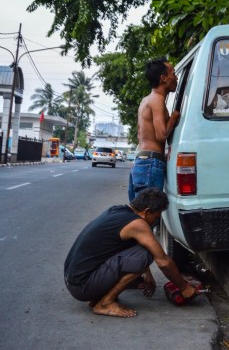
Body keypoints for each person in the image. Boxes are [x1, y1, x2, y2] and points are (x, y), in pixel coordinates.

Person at [64, 188, 199, 317]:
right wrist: (183, 287)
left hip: (74, 280)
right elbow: (163, 261)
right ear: (147, 211)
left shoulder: (118, 211)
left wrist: (146, 273)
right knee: (144, 255)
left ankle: (98, 297)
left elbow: (131, 245)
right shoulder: (137, 224)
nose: (156, 221)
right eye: (156, 217)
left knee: (141, 257)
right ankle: (105, 303)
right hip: (82, 286)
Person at [128, 57, 180, 202]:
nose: (176, 78)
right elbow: (161, 134)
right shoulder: (157, 100)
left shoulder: (147, 99)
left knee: (139, 215)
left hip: (142, 162)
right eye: (173, 73)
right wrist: (174, 117)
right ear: (163, 78)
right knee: (148, 216)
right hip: (150, 165)